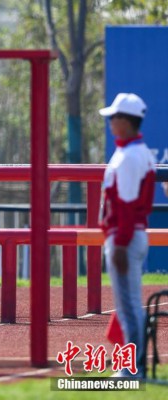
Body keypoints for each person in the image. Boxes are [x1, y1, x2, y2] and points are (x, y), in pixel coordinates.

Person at [99, 93, 155, 378]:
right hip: (127, 235)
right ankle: (133, 365)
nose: (110, 122)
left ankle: (133, 368)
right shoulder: (131, 151)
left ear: (125, 120)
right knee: (128, 305)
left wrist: (119, 244)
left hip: (126, 237)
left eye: (113, 117)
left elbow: (128, 204)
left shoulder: (132, 155)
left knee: (129, 306)